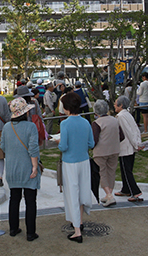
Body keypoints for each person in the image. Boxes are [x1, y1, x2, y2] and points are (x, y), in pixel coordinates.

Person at [0, 98, 41, 242]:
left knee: (14, 198)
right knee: (30, 201)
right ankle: (30, 233)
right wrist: (35, 167)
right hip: (28, 167)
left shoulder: (6, 127)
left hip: (12, 168)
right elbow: (33, 149)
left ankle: (13, 228)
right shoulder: (31, 127)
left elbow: (3, 146)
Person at [57, 92, 95, 243]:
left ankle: (77, 231)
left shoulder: (65, 124)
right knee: (83, 190)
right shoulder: (86, 123)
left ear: (66, 108)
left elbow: (63, 146)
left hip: (70, 162)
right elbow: (91, 144)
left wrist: (58, 141)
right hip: (84, 160)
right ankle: (79, 222)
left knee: (72, 192)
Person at [92, 99, 121, 207]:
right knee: (111, 172)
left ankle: (109, 195)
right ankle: (109, 193)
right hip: (114, 149)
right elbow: (121, 136)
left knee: (101, 173)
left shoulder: (97, 123)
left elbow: (94, 140)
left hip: (101, 151)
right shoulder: (114, 120)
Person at [114, 96, 143, 202]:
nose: (114, 105)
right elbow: (135, 129)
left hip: (125, 147)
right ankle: (125, 189)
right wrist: (137, 143)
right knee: (125, 169)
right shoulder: (128, 114)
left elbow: (128, 132)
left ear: (121, 105)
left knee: (126, 170)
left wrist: (136, 144)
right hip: (131, 146)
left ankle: (135, 191)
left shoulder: (120, 117)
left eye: (116, 103)